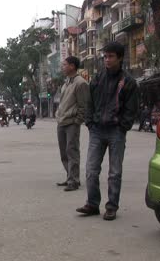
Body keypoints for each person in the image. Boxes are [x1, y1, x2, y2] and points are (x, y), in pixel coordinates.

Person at [76, 42, 139, 221]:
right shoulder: (97, 78)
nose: (107, 60)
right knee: (91, 169)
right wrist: (89, 122)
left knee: (115, 172)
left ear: (119, 58)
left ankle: (111, 206)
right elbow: (90, 102)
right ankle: (92, 204)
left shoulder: (128, 82)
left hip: (116, 131)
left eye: (111, 56)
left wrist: (122, 126)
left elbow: (131, 109)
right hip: (97, 130)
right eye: (105, 56)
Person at [55, 56, 90, 192]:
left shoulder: (81, 83)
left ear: (72, 66)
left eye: (64, 65)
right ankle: (70, 176)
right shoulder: (66, 83)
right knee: (64, 152)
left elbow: (84, 105)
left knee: (72, 151)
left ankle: (74, 180)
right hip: (62, 121)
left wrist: (77, 121)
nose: (62, 67)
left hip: (71, 123)